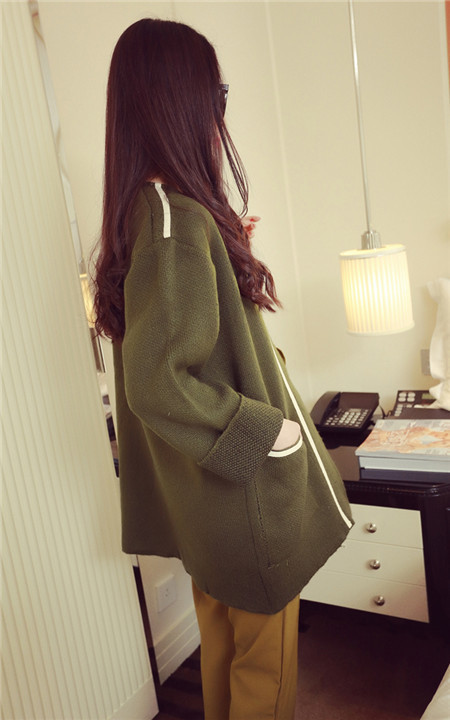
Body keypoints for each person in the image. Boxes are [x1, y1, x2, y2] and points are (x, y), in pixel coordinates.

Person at [93, 18, 353, 720]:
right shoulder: (176, 224)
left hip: (208, 510)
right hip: (246, 507)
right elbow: (157, 382)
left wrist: (224, 247)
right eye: (218, 92)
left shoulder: (149, 214)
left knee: (222, 651)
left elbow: (183, 342)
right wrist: (264, 431)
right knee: (264, 674)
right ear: (181, 100)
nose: (221, 109)